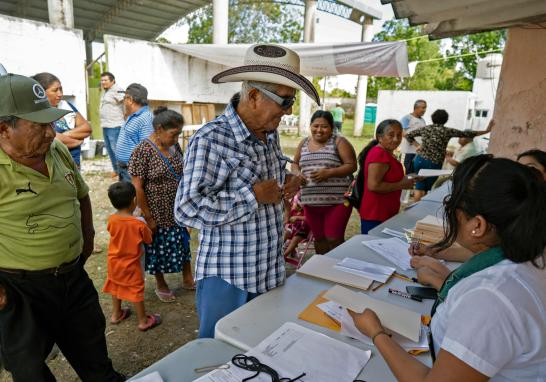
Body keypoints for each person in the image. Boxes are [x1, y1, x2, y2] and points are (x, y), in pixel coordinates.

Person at [350, 155, 546, 381]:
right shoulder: (531, 252)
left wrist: (376, 332)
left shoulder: (489, 299)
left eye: (453, 205)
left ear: (478, 225)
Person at [175, 43, 316, 338]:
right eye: (285, 102)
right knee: (220, 355)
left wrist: (287, 181)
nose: (288, 112)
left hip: (268, 270)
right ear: (253, 96)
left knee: (260, 349)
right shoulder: (211, 139)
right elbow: (186, 208)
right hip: (229, 277)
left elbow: (268, 181)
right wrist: (251, 196)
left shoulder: (270, 133)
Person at [0, 74, 123, 381]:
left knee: (95, 358)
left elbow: (81, 194)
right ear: (4, 129)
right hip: (20, 290)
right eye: (38, 125)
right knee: (29, 370)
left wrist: (87, 236)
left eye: (51, 123)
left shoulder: (55, 149)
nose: (50, 132)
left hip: (72, 278)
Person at [129, 107, 194, 302]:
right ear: (158, 129)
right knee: (156, 246)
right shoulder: (142, 150)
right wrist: (148, 216)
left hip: (177, 208)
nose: (176, 139)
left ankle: (187, 276)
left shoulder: (174, 147)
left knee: (183, 242)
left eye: (179, 135)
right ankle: (161, 283)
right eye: (173, 134)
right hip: (156, 210)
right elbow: (137, 188)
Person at [292, 110, 356, 253]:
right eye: (316, 126)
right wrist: (297, 174)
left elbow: (352, 165)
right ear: (310, 126)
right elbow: (295, 163)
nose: (319, 130)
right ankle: (322, 269)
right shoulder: (303, 143)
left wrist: (329, 173)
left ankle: (339, 270)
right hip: (310, 203)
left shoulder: (339, 142)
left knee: (334, 239)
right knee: (319, 239)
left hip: (337, 202)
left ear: (332, 128)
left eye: (324, 126)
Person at [103, 181, 161, 331]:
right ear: (134, 201)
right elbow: (148, 239)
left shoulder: (112, 220)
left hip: (113, 262)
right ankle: (143, 321)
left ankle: (116, 314)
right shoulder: (139, 224)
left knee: (115, 285)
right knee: (136, 290)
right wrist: (141, 218)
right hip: (132, 264)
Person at [406, 110, 493, 202]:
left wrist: (417, 145)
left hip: (420, 160)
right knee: (425, 189)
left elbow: (408, 135)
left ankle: (416, 210)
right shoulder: (447, 131)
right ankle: (420, 210)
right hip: (434, 163)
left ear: (433, 118)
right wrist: (487, 130)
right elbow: (468, 134)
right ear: (445, 120)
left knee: (419, 187)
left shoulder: (426, 128)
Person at [357, 119, 418, 234]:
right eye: (391, 135)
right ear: (380, 137)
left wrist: (408, 179)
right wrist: (401, 184)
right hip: (376, 214)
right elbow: (373, 185)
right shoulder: (379, 154)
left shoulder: (387, 153)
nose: (396, 139)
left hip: (384, 212)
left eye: (399, 135)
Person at [32, 72, 92, 168]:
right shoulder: (37, 113)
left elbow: (86, 128)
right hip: (55, 166)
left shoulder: (66, 106)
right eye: (55, 90)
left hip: (74, 164)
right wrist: (76, 141)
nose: (60, 94)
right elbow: (47, 140)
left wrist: (64, 135)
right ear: (41, 92)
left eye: (61, 89)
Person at [116, 83, 154, 182]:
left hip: (133, 173)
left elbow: (147, 150)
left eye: (125, 98)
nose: (123, 102)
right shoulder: (133, 116)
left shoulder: (145, 118)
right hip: (125, 170)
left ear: (130, 100)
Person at [100, 72, 125, 178]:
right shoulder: (106, 91)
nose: (103, 82)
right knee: (110, 149)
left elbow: (125, 101)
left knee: (116, 149)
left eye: (105, 80)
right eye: (102, 80)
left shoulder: (117, 89)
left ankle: (123, 172)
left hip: (115, 125)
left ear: (113, 80)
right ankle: (116, 170)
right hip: (106, 124)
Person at [400, 100, 427, 174]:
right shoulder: (407, 118)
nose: (424, 110)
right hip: (408, 152)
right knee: (406, 173)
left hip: (418, 153)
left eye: (425, 108)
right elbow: (403, 133)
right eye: (423, 108)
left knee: (414, 174)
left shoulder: (422, 120)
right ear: (416, 107)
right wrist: (417, 144)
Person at [283, 192, 310, 258]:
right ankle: (277, 250)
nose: (293, 205)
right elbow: (287, 219)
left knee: (295, 239)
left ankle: (284, 256)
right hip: (292, 229)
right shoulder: (293, 211)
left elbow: (309, 218)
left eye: (295, 204)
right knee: (285, 233)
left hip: (303, 231)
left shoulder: (305, 212)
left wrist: (297, 217)